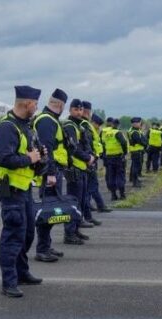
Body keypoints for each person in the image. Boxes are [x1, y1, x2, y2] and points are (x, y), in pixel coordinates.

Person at [0, 85, 46, 297]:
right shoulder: (7, 127)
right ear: (26, 103)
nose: (36, 107)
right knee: (13, 235)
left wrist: (39, 156)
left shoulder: (26, 126)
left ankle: (22, 272)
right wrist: (30, 158)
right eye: (35, 103)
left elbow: (30, 155)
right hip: (11, 189)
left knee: (27, 233)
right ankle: (9, 281)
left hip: (24, 187)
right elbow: (4, 158)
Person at [33, 88, 71, 261]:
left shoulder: (49, 119)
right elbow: (46, 149)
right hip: (49, 173)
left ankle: (46, 245)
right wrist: (50, 173)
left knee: (50, 208)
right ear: (61, 105)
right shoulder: (47, 121)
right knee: (48, 209)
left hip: (53, 170)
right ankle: (42, 249)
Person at [61, 99, 95, 244]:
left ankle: (75, 230)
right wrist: (88, 157)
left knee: (79, 202)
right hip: (74, 168)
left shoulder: (78, 125)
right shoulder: (69, 126)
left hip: (82, 168)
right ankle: (69, 233)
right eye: (76, 109)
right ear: (70, 110)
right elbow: (73, 148)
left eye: (80, 110)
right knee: (72, 202)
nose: (79, 112)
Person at [80, 101, 103, 226]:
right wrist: (90, 157)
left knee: (87, 190)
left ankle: (87, 215)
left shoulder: (86, 125)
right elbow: (87, 143)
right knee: (87, 189)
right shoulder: (84, 125)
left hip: (90, 160)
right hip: (87, 161)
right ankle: (86, 216)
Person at [87, 113, 112, 213]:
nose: (99, 127)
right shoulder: (89, 130)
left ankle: (88, 205)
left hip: (93, 160)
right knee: (93, 185)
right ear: (93, 122)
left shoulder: (94, 130)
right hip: (90, 160)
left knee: (90, 185)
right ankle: (100, 205)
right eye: (98, 124)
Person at [101, 116, 128, 199]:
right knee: (120, 175)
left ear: (112, 124)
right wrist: (125, 152)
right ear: (118, 125)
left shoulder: (107, 133)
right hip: (118, 157)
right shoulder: (118, 133)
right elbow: (123, 142)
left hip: (109, 157)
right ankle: (122, 194)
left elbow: (103, 143)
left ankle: (113, 195)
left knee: (111, 176)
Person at [128, 117, 146, 187]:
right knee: (136, 167)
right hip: (136, 151)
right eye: (139, 123)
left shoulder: (134, 130)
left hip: (135, 151)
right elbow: (140, 141)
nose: (140, 124)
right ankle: (135, 182)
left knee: (134, 166)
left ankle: (134, 180)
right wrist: (145, 143)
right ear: (135, 124)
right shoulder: (134, 132)